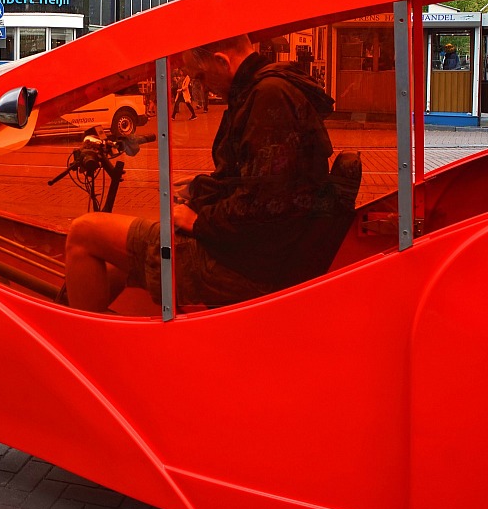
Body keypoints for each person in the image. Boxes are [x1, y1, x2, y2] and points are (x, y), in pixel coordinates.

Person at [64, 35, 353, 313]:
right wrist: (199, 189)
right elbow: (259, 180)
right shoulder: (262, 90)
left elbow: (265, 204)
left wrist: (199, 222)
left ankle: (84, 348)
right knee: (121, 254)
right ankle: (104, 329)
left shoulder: (269, 96)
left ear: (221, 61)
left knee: (84, 233)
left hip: (246, 268)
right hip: (265, 255)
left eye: (201, 78)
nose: (205, 88)